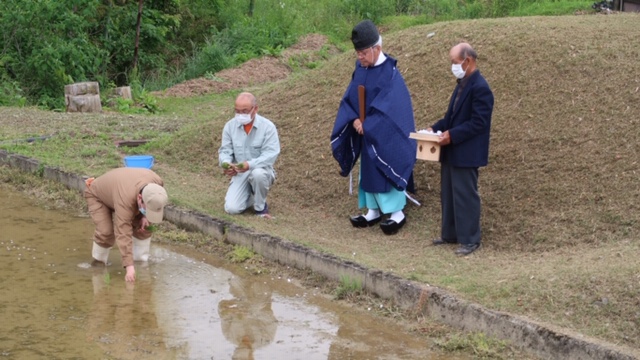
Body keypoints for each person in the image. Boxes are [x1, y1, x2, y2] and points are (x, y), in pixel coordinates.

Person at [331, 19, 416, 235]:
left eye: (363, 52)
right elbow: (349, 97)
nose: (359, 57)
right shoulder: (360, 68)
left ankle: (397, 213)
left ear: (376, 48)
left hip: (385, 133)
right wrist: (355, 120)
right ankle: (373, 210)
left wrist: (370, 124)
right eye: (357, 53)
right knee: (367, 168)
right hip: (364, 130)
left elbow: (393, 106)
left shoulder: (390, 73)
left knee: (385, 164)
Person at [427, 42, 494, 256]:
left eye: (455, 62)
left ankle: (470, 239)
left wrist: (451, 136)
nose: (453, 66)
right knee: (449, 193)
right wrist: (434, 129)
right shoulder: (461, 84)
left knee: (465, 195)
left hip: (467, 152)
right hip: (452, 150)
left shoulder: (481, 88)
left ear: (468, 61)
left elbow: (478, 123)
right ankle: (450, 234)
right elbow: (451, 118)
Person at [84, 167, 168, 281]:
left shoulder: (157, 184)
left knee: (145, 227)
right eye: (147, 210)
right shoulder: (126, 200)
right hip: (98, 195)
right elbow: (123, 232)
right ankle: (98, 266)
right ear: (140, 198)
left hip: (122, 192)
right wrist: (129, 267)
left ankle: (141, 264)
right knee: (106, 232)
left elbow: (153, 202)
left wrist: (144, 216)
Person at [218, 92, 280, 218]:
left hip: (262, 170)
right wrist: (226, 164)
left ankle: (261, 208)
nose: (240, 115)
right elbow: (225, 150)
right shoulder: (230, 126)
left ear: (255, 109)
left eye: (245, 111)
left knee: (257, 174)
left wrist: (250, 164)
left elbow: (270, 154)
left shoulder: (268, 127)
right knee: (232, 208)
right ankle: (252, 196)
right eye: (237, 111)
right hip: (240, 172)